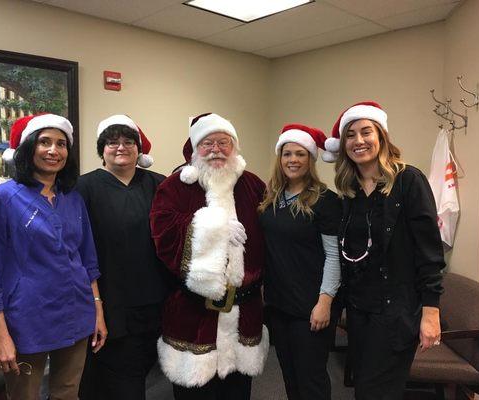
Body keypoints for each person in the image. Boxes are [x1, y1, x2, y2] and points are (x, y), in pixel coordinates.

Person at [0, 113, 106, 400]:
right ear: (28, 148)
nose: (53, 150)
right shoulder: (2, 198)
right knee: (24, 395)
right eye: (44, 142)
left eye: (61, 144)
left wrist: (97, 311)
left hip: (77, 311)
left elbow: (88, 261)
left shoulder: (72, 198)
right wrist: (0, 335)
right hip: (26, 320)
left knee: (67, 393)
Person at [322, 101, 445, 399]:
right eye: (350, 135)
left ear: (382, 137)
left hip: (395, 311)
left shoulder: (408, 181)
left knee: (376, 392)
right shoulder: (349, 190)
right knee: (364, 387)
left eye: (366, 132)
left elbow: (429, 252)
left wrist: (431, 313)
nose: (358, 141)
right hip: (360, 310)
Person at [150, 113, 269, 400]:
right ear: (194, 148)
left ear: (235, 146)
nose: (216, 149)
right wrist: (212, 228)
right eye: (207, 143)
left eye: (223, 142)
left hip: (244, 311)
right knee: (196, 392)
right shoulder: (175, 186)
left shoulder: (253, 185)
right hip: (194, 313)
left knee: (237, 391)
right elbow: (162, 234)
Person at [77, 115, 168, 399]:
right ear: (101, 149)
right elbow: (78, 246)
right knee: (115, 375)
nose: (121, 147)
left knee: (143, 366)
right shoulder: (83, 188)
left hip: (155, 299)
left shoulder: (159, 185)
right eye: (112, 142)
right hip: (109, 300)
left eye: (129, 142)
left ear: (139, 149)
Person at [258, 124, 342, 400]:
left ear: (311, 159)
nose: (292, 160)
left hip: (310, 305)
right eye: (287, 154)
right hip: (278, 303)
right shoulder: (271, 198)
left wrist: (325, 302)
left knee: (311, 379)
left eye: (300, 154)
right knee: (289, 375)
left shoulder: (325, 200)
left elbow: (333, 256)